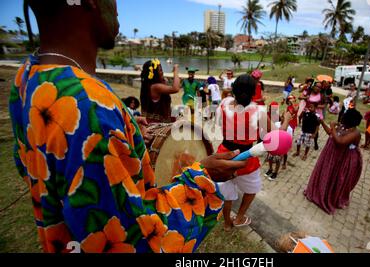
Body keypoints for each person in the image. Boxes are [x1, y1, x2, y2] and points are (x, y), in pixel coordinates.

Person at [10, 0, 246, 253]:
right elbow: (136, 241)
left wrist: (126, 128)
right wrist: (203, 176)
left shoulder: (29, 79)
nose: (118, 6)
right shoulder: (88, 106)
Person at [216, 74, 290, 231]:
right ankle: (240, 217)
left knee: (226, 191)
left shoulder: (224, 104)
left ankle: (227, 223)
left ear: (234, 90)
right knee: (252, 189)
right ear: (253, 92)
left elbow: (221, 117)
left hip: (224, 154)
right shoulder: (258, 111)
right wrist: (287, 120)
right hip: (246, 158)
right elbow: (277, 135)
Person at [304, 109, 363, 215]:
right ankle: (319, 192)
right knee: (326, 174)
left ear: (350, 121)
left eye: (344, 117)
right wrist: (322, 122)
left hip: (343, 159)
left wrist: (332, 126)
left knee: (336, 177)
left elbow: (340, 141)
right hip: (331, 156)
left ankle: (330, 198)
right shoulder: (342, 126)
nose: (341, 118)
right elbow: (330, 133)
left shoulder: (355, 133)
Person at [140, 59, 180, 123]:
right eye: (160, 70)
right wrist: (175, 71)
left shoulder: (147, 85)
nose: (162, 72)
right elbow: (176, 88)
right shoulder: (156, 87)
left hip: (150, 120)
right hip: (156, 123)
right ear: (155, 73)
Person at [308, 85, 325, 150]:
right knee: (307, 127)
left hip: (317, 114)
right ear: (313, 87)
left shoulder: (321, 95)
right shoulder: (309, 93)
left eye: (319, 87)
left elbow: (323, 106)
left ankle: (315, 142)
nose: (317, 88)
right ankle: (305, 138)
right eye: (316, 86)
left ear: (320, 89)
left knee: (315, 129)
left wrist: (315, 106)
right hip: (308, 113)